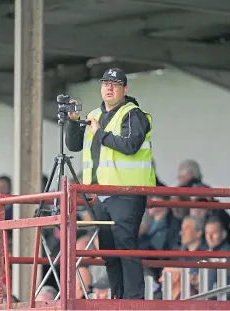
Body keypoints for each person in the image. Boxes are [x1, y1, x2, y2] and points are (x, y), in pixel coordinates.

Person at [65, 68, 156, 299]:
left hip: (126, 193)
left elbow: (130, 145)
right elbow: (74, 146)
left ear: (125, 89)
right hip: (100, 195)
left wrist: (100, 134)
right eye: (106, 83)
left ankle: (133, 300)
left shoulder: (133, 114)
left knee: (126, 246)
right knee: (108, 251)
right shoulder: (95, 114)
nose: (109, 87)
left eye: (115, 84)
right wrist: (73, 122)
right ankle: (117, 297)